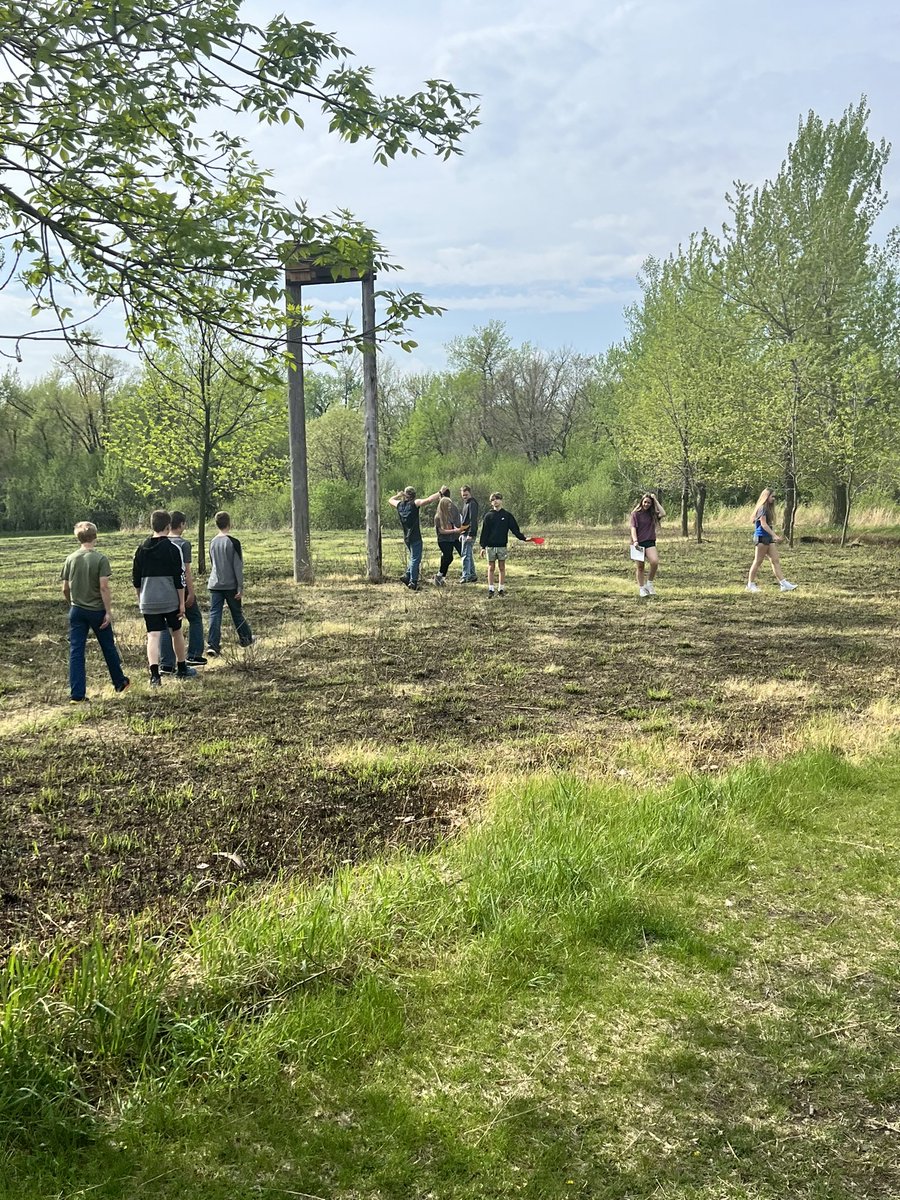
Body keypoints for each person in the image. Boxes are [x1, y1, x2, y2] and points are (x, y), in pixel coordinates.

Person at [60, 521, 130, 702]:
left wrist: (72, 603)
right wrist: (108, 611)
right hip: (97, 610)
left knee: (76, 651)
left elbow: (65, 588)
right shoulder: (100, 559)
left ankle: (77, 693)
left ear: (78, 538)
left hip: (77, 610)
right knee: (108, 647)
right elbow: (104, 587)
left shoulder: (70, 559)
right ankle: (119, 682)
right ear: (95, 537)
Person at [132, 509, 191, 688]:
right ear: (168, 526)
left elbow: (136, 578)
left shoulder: (141, 549)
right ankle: (182, 668)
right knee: (176, 632)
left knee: (153, 636)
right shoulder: (173, 549)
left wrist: (140, 598)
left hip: (148, 599)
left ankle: (155, 676)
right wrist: (182, 603)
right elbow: (179, 578)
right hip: (170, 598)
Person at [159, 510, 206, 672]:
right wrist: (190, 592)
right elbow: (186, 571)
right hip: (181, 588)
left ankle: (166, 662)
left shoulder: (161, 542)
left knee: (165, 624)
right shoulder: (183, 544)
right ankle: (194, 654)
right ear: (181, 525)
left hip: (165, 589)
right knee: (195, 618)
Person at [206, 511, 254, 653]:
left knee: (215, 614)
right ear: (229, 523)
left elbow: (213, 562)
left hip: (215, 584)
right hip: (231, 584)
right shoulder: (233, 542)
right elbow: (237, 566)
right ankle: (245, 639)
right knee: (236, 613)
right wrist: (240, 587)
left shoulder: (212, 542)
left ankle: (212, 644)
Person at [388, 485, 442, 591]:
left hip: (406, 537)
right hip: (415, 536)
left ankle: (407, 576)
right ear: (413, 495)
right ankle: (413, 581)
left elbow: (390, 500)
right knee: (415, 559)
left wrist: (398, 495)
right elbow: (429, 500)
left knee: (413, 558)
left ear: (405, 495)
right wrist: (440, 493)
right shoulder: (414, 503)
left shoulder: (399, 505)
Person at [746, 488, 798, 592]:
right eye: (772, 496)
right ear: (766, 496)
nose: (774, 499)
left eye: (774, 496)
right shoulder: (762, 508)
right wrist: (774, 535)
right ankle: (750, 585)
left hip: (768, 538)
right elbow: (763, 524)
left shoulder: (767, 508)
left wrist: (772, 537)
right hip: (761, 537)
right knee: (758, 561)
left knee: (775, 560)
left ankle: (783, 584)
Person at [479, 492, 529, 597]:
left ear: (501, 500)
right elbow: (485, 532)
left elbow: (515, 529)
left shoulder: (507, 515)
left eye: (497, 499)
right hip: (491, 546)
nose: (495, 501)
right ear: (491, 502)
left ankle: (501, 589)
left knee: (502, 567)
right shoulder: (488, 516)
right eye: (493, 499)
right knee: (491, 567)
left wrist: (523, 538)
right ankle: (491, 589)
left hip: (502, 546)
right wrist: (482, 547)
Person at [629, 492, 666, 597]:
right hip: (638, 543)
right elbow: (633, 528)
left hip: (649, 541)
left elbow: (663, 513)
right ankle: (641, 588)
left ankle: (649, 583)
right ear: (641, 502)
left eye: (649, 503)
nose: (646, 504)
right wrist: (635, 541)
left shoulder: (652, 514)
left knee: (654, 562)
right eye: (645, 502)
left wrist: (655, 500)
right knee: (640, 567)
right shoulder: (635, 514)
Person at [433, 496, 465, 586]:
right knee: (448, 557)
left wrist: (458, 529)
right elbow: (441, 531)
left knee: (448, 558)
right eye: (448, 505)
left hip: (451, 539)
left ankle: (440, 577)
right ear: (443, 506)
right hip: (443, 540)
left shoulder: (450, 515)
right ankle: (440, 576)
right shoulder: (438, 517)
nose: (450, 507)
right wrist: (454, 531)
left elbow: (452, 525)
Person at [458, 485, 480, 582]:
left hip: (469, 533)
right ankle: (472, 575)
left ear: (470, 493)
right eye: (463, 495)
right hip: (464, 532)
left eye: (466, 494)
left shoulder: (472, 504)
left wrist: (471, 534)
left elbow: (473, 520)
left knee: (465, 555)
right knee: (468, 554)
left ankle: (465, 576)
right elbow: (464, 520)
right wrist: (461, 533)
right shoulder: (466, 503)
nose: (464, 496)